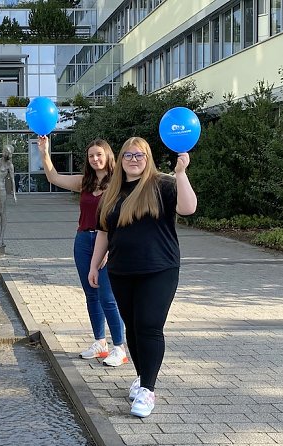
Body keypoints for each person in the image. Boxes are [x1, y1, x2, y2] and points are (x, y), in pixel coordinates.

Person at [88, 137, 196, 419]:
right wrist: (94, 264)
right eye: (128, 155)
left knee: (149, 325)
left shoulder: (163, 185)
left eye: (140, 155)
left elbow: (188, 208)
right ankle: (141, 374)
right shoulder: (112, 192)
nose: (133, 160)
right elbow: (103, 231)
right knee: (133, 328)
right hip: (122, 270)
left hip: (159, 269)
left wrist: (181, 173)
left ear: (148, 159)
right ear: (120, 159)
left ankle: (148, 388)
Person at [37, 136, 127, 366]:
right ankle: (100, 342)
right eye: (91, 156)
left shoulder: (119, 183)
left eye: (99, 154)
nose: (95, 159)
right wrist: (45, 152)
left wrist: (108, 248)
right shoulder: (84, 182)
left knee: (108, 297)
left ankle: (119, 347)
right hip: (83, 241)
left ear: (108, 155)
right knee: (91, 295)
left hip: (109, 242)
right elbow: (53, 177)